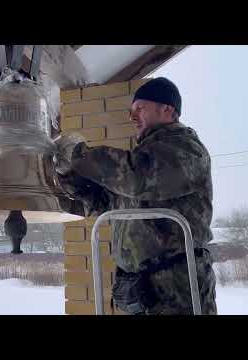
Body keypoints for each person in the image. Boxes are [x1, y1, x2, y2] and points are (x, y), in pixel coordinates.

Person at [57, 77, 217, 315]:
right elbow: (104, 204)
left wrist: (79, 155)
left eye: (140, 108)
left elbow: (138, 177)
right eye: (131, 111)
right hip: (140, 292)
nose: (132, 117)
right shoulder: (141, 161)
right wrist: (68, 175)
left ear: (167, 109)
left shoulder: (187, 150)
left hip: (178, 290)